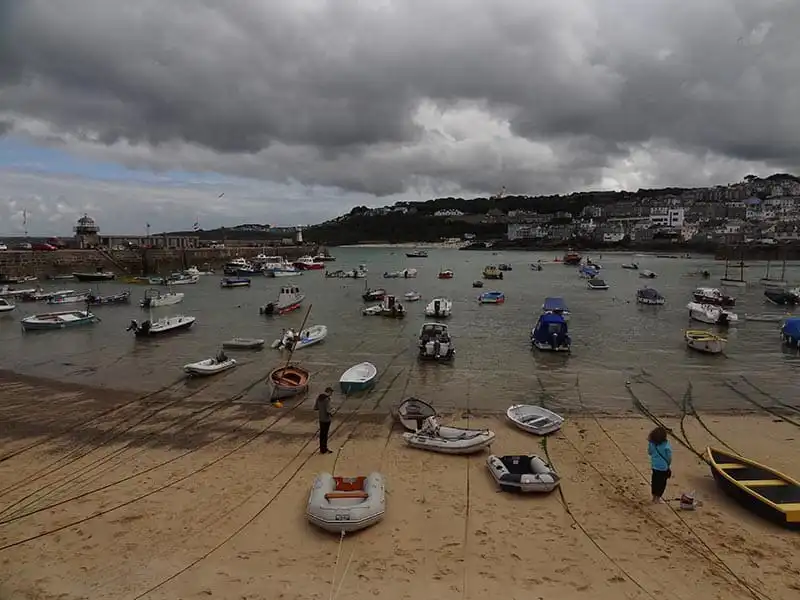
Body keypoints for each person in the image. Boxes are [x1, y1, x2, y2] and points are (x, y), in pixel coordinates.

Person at [647, 426, 672, 503]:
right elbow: (669, 457)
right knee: (662, 483)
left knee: (654, 481)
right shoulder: (666, 445)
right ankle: (658, 498)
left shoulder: (652, 443)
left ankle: (654, 497)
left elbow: (650, 452)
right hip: (663, 467)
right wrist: (668, 464)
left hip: (655, 466)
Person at [314, 387, 334, 454]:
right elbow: (328, 410)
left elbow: (315, 408)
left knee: (322, 434)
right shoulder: (327, 399)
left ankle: (322, 449)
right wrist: (332, 412)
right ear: (329, 392)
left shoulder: (319, 398)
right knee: (325, 435)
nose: (331, 394)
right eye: (331, 392)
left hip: (321, 418)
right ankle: (324, 449)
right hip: (327, 419)